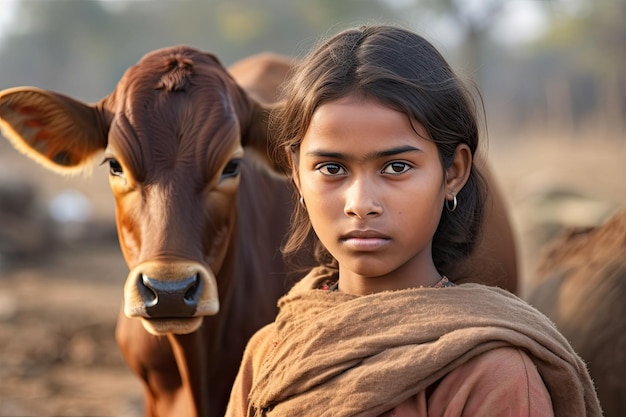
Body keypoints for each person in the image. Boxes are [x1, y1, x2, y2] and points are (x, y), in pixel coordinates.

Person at [226, 24, 602, 417]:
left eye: (396, 166)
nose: (361, 203)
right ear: (296, 174)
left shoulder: (493, 373)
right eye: (332, 168)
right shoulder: (272, 351)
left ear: (453, 172)